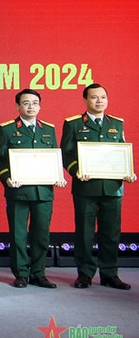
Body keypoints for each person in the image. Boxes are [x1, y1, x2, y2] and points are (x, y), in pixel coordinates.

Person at [60, 83, 136, 290]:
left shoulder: (116, 123)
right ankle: (84, 273)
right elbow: (66, 153)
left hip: (113, 187)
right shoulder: (74, 124)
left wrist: (128, 171)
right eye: (94, 97)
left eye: (103, 97)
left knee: (111, 233)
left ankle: (110, 274)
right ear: (85, 100)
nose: (99, 101)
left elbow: (122, 152)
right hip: (86, 187)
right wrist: (77, 170)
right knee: (84, 233)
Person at [0, 89, 64, 289]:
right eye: (26, 103)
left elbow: (54, 157)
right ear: (17, 106)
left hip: (43, 191)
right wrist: (7, 177)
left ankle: (39, 273)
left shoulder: (48, 129)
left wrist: (58, 176)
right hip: (18, 190)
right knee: (18, 235)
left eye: (34, 102)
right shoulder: (6, 129)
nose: (30, 106)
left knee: (41, 235)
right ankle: (21, 273)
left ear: (40, 106)